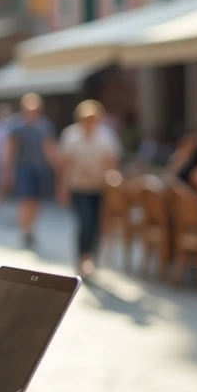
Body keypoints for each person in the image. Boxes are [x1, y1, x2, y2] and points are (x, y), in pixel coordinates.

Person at [57, 100, 121, 277]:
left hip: (99, 187)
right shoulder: (70, 135)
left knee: (97, 225)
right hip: (77, 186)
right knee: (85, 222)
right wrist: (62, 189)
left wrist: (112, 177)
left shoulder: (106, 136)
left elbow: (112, 162)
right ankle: (81, 256)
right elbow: (64, 165)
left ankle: (91, 257)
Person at [4, 93, 58, 249]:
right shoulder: (17, 125)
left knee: (36, 201)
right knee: (25, 200)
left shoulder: (45, 126)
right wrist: (7, 170)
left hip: (40, 168)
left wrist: (57, 166)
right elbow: (10, 149)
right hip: (23, 168)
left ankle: (31, 228)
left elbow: (49, 147)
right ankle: (25, 230)